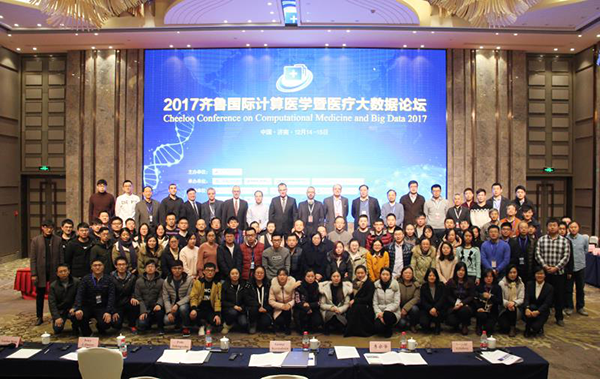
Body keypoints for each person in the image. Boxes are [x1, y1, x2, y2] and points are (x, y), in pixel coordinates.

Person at [535, 218, 570, 326]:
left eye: (554, 225)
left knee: (559, 296)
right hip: (545, 274)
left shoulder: (564, 241)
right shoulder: (541, 240)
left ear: (558, 227)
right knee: (543, 296)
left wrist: (556, 267)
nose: (552, 227)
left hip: (559, 273)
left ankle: (559, 317)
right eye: (550, 225)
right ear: (547, 227)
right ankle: (542, 316)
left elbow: (566, 257)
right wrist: (545, 266)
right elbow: (537, 254)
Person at [30, 219, 63, 325]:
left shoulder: (58, 240)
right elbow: (33, 259)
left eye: (51, 228)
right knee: (40, 295)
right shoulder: (36, 240)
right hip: (41, 272)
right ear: (42, 228)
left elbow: (61, 257)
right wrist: (34, 274)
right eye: (47, 227)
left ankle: (56, 316)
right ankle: (39, 316)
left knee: (56, 295)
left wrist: (61, 270)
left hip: (54, 271)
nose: (49, 230)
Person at [74, 259, 115, 336]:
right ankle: (88, 333)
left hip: (101, 306)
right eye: (95, 265)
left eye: (99, 265)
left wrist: (108, 311)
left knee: (106, 322)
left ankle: (100, 327)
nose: (97, 267)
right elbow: (79, 294)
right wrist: (78, 308)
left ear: (103, 267)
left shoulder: (109, 279)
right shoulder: (85, 279)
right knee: (78, 315)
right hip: (87, 306)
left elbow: (111, 296)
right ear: (91, 267)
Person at [163, 260, 194, 337]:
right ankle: (178, 323)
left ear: (182, 269)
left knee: (182, 308)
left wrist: (178, 304)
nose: (177, 270)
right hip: (172, 306)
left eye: (179, 268)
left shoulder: (189, 280)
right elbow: (165, 298)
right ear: (171, 269)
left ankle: (186, 327)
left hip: (185, 304)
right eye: (174, 268)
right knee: (166, 320)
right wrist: (169, 312)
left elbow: (189, 295)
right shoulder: (167, 281)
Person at [134, 260, 165, 334]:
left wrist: (159, 304)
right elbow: (139, 298)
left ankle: (160, 328)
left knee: (159, 311)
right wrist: (143, 311)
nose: (150, 268)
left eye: (152, 266)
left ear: (155, 268)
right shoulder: (139, 281)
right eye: (148, 266)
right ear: (145, 269)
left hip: (156, 307)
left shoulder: (161, 281)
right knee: (142, 325)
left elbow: (162, 295)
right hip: (145, 307)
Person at [48, 264, 80, 335]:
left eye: (65, 271)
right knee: (57, 330)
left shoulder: (76, 282)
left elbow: (79, 297)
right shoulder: (53, 286)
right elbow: (52, 303)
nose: (63, 273)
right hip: (61, 310)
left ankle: (75, 326)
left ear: (69, 271)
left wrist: (75, 307)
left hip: (72, 309)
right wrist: (56, 317)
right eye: (60, 272)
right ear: (57, 274)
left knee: (79, 319)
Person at [566, 221, 589, 316]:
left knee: (580, 288)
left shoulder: (584, 238)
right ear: (568, 229)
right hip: (570, 268)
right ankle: (569, 307)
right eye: (571, 227)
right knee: (569, 289)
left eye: (575, 227)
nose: (573, 229)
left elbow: (586, 250)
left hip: (580, 267)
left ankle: (580, 307)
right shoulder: (566, 239)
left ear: (578, 228)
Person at [344, 265, 375, 337]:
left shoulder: (369, 283)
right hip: (355, 305)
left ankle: (361, 332)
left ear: (365, 273)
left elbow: (368, 298)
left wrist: (355, 300)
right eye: (358, 273)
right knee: (353, 309)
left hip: (366, 306)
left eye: (362, 273)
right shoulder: (353, 283)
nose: (360, 275)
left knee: (358, 308)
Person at [110, 256, 139, 333]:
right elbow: (110, 295)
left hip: (128, 301)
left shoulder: (132, 277)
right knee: (116, 324)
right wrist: (113, 311)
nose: (122, 266)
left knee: (135, 304)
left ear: (127, 265)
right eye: (119, 264)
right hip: (116, 303)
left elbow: (134, 290)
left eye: (123, 264)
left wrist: (133, 297)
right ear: (116, 266)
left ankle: (132, 325)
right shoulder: (111, 278)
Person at [445, 262, 475, 335]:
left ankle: (464, 325)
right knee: (450, 321)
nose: (461, 272)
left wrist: (462, 303)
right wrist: (455, 304)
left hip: (465, 306)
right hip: (454, 305)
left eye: (463, 270)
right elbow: (448, 296)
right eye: (459, 270)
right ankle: (456, 325)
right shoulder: (451, 281)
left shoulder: (470, 282)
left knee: (464, 310)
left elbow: (471, 296)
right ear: (456, 271)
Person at [523, 267, 554, 337]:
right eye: (537, 273)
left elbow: (547, 303)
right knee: (531, 307)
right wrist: (527, 308)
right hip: (530, 310)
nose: (539, 275)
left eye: (541, 274)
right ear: (534, 275)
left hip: (542, 311)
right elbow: (526, 298)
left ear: (545, 275)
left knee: (535, 328)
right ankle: (527, 328)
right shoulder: (529, 284)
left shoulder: (549, 288)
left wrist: (538, 311)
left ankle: (537, 327)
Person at [372, 267, 400, 338]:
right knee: (377, 327)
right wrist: (378, 313)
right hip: (380, 312)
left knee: (387, 315)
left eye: (387, 274)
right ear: (380, 275)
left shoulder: (395, 285)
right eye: (383, 274)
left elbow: (396, 303)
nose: (385, 276)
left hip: (392, 312)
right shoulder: (376, 285)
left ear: (390, 275)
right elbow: (374, 303)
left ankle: (389, 329)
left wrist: (385, 312)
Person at [498, 264, 524, 337]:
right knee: (505, 328)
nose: (512, 275)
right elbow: (500, 299)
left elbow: (521, 299)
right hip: (504, 309)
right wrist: (507, 303)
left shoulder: (521, 283)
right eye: (510, 272)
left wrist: (514, 303)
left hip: (516, 309)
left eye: (514, 272)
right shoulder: (502, 283)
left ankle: (513, 328)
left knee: (512, 308)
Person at [221, 268, 249, 334]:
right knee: (233, 313)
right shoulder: (225, 286)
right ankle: (227, 325)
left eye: (236, 273)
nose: (235, 275)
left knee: (244, 324)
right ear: (229, 275)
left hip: (241, 309)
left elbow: (247, 300)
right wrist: (233, 306)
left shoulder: (244, 285)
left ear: (239, 275)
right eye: (232, 274)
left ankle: (235, 322)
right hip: (229, 309)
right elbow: (222, 301)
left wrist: (242, 307)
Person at [294, 269, 323, 333]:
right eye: (308, 276)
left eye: (312, 276)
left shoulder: (318, 286)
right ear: (304, 276)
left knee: (317, 321)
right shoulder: (299, 286)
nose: (310, 278)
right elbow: (297, 301)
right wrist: (306, 307)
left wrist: (310, 305)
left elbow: (320, 301)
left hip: (314, 307)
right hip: (302, 308)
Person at [474, 269, 502, 335]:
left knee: (489, 330)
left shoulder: (497, 288)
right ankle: (478, 326)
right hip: (481, 310)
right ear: (483, 278)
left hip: (492, 312)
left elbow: (500, 301)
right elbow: (475, 299)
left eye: (491, 277)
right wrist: (478, 308)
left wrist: (490, 297)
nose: (489, 278)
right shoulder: (479, 287)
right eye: (486, 277)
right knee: (480, 314)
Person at [246, 266, 273, 333]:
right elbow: (247, 299)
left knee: (265, 323)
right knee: (254, 309)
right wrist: (258, 306)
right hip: (254, 309)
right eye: (257, 273)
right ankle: (252, 325)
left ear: (264, 274)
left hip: (265, 309)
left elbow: (272, 299)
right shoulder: (249, 285)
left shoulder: (268, 285)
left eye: (261, 273)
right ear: (254, 274)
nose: (259, 275)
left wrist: (266, 308)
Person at [269, 268, 296, 335]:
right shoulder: (273, 286)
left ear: (287, 276)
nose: (282, 277)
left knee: (287, 310)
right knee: (279, 321)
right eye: (280, 275)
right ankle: (281, 326)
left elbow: (294, 298)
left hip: (290, 308)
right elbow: (271, 301)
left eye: (284, 275)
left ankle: (287, 327)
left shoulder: (292, 285)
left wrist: (289, 304)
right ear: (277, 276)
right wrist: (281, 306)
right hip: (278, 308)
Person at [419, 268, 445, 334]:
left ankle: (437, 325)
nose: (432, 277)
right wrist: (430, 309)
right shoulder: (424, 287)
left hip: (438, 309)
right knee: (424, 325)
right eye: (430, 275)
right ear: (427, 276)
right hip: (427, 310)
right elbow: (423, 301)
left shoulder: (441, 286)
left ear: (436, 277)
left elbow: (442, 299)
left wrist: (435, 308)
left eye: (434, 276)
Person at [398, 266, 420, 332]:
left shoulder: (416, 284)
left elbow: (417, 298)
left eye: (410, 273)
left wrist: (405, 308)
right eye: (406, 273)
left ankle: (412, 325)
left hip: (410, 307)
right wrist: (400, 309)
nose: (408, 275)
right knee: (402, 325)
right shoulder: (397, 284)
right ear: (402, 274)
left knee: (415, 309)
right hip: (399, 307)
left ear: (412, 274)